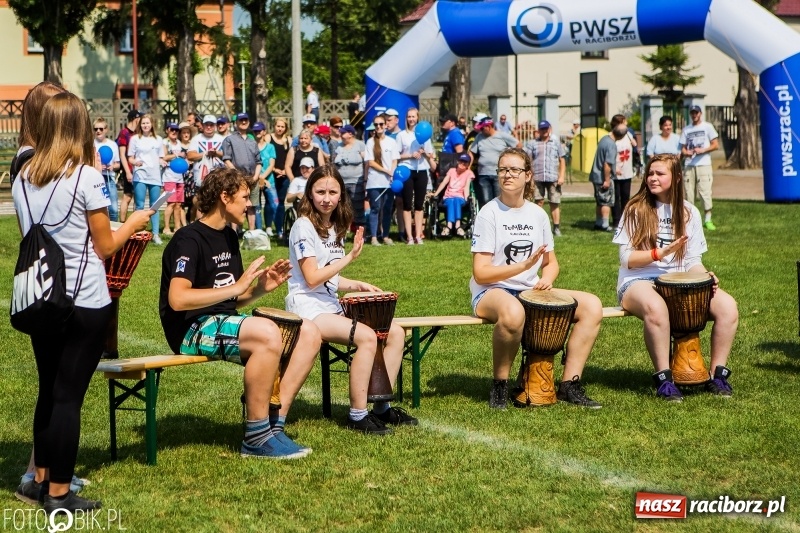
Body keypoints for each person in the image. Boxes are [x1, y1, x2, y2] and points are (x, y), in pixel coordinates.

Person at [13, 91, 153, 512]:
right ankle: (59, 492)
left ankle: (38, 481)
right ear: (77, 128)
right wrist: (133, 222)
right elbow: (106, 245)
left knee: (47, 391)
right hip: (84, 299)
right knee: (68, 398)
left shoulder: (22, 175)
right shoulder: (87, 177)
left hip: (41, 295)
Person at [160, 167, 321, 458]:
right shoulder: (187, 239)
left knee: (309, 332)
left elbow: (230, 302)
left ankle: (274, 425)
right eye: (245, 197)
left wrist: (259, 288)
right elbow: (178, 299)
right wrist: (236, 287)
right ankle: (256, 437)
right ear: (224, 197)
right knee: (267, 333)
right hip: (190, 329)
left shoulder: (230, 236)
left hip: (221, 319)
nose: (249, 204)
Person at [286, 164, 418, 434]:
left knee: (394, 332)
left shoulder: (334, 226)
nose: (326, 198)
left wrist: (356, 284)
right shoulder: (303, 226)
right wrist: (350, 259)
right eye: (320, 191)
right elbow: (311, 278)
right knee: (367, 337)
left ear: (340, 195)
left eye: (333, 192)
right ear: (309, 193)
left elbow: (330, 278)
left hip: (330, 306)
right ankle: (357, 415)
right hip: (307, 309)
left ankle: (381, 406)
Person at [471, 148, 603, 410]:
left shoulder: (538, 214)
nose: (507, 175)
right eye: (502, 170)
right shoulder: (489, 212)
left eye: (514, 170)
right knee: (513, 312)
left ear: (528, 175)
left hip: (529, 289)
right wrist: (523, 266)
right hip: (491, 290)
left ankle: (569, 385)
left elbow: (551, 263)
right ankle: (500, 386)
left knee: (592, 306)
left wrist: (547, 278)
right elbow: (481, 272)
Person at [612, 153, 738, 401]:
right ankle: (664, 379)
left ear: (677, 178)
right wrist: (659, 253)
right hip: (637, 281)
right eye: (650, 173)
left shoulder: (689, 212)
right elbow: (626, 259)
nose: (653, 178)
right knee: (656, 308)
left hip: (680, 283)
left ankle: (717, 375)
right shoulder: (635, 209)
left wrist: (705, 278)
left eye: (660, 174)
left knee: (727, 307)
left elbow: (692, 261)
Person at [397, 107, 436, 245]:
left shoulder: (424, 135)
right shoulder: (401, 135)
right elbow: (396, 156)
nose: (411, 119)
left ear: (417, 118)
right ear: (406, 119)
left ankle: (418, 235)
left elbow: (430, 154)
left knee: (419, 205)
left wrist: (423, 152)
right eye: (409, 117)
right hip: (407, 170)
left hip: (422, 171)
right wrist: (410, 155)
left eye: (413, 116)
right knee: (407, 205)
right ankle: (409, 236)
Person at [679, 105, 719, 231]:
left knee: (705, 192)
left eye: (696, 113)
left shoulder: (707, 127)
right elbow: (683, 148)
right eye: (692, 113)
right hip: (690, 164)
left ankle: (707, 219)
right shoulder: (686, 129)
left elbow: (715, 145)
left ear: (700, 113)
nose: (694, 115)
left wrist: (703, 150)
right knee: (689, 193)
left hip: (704, 164)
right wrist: (686, 152)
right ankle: (690, 220)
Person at [128, 113, 166, 244]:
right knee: (139, 205)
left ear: (152, 124)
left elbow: (161, 157)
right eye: (143, 123)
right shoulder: (134, 139)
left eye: (147, 123)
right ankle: (138, 233)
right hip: (140, 175)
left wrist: (163, 162)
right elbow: (130, 157)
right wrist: (134, 162)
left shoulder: (159, 139)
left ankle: (155, 234)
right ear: (140, 125)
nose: (145, 125)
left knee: (154, 205)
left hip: (154, 176)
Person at [222, 113, 262, 230]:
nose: (243, 122)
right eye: (241, 120)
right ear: (236, 123)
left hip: (252, 177)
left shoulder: (252, 141)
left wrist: (255, 177)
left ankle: (251, 232)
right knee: (236, 204)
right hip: (237, 178)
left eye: (245, 120)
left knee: (252, 206)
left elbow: (259, 161)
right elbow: (227, 160)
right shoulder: (229, 139)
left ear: (248, 122)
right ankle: (234, 232)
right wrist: (237, 175)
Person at [525, 120, 566, 236]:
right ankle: (539, 228)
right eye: (542, 129)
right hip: (537, 177)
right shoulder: (532, 143)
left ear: (550, 129)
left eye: (546, 129)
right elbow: (527, 159)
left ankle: (556, 228)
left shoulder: (556, 143)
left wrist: (562, 176)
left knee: (554, 202)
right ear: (538, 130)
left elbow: (562, 160)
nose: (544, 131)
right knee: (538, 202)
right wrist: (530, 176)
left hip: (553, 177)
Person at [469, 118, 520, 209]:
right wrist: (468, 168)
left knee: (499, 200)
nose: (480, 130)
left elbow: (518, 145)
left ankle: (500, 220)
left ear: (488, 127)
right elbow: (472, 152)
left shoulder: (502, 136)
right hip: (483, 174)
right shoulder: (479, 137)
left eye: (482, 128)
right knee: (486, 200)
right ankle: (489, 221)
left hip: (499, 173)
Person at [364, 113, 399, 246]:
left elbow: (395, 160)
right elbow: (371, 163)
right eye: (376, 124)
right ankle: (374, 237)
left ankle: (385, 235)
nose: (378, 127)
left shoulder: (391, 142)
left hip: (389, 182)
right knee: (375, 208)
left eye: (381, 124)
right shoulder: (370, 142)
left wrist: (392, 173)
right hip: (374, 181)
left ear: (385, 125)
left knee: (387, 208)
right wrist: (386, 171)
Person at [589, 125, 626, 231]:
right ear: (622, 136)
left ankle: (598, 222)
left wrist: (615, 170)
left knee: (599, 201)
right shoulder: (612, 145)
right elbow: (607, 164)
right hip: (603, 177)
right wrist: (607, 180)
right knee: (606, 201)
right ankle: (605, 224)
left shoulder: (604, 139)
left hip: (596, 175)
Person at [429, 152, 474, 237]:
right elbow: (444, 183)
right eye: (461, 161)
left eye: (465, 162)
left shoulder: (469, 173)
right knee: (451, 201)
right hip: (448, 196)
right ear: (458, 161)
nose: (462, 164)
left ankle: (457, 226)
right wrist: (436, 193)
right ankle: (449, 226)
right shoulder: (451, 171)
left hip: (460, 197)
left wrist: (467, 198)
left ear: (468, 165)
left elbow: (466, 187)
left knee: (456, 200)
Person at [333, 124, 367, 231]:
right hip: (341, 183)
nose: (341, 135)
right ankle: (342, 232)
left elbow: (366, 162)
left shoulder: (360, 145)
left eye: (343, 133)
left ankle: (360, 233)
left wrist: (365, 180)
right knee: (341, 208)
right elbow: (333, 163)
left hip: (356, 182)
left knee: (358, 208)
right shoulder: (338, 146)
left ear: (350, 134)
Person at [187, 114, 225, 207]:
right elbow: (190, 156)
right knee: (201, 202)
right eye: (206, 124)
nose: (209, 127)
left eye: (211, 125)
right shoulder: (196, 139)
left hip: (219, 174)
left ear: (215, 126)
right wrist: (205, 153)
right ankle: (201, 221)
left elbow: (228, 155)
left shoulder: (222, 139)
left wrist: (216, 153)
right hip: (201, 176)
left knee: (218, 202)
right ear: (202, 126)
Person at [265, 118, 292, 239]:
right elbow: (266, 157)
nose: (280, 129)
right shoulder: (268, 138)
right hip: (271, 174)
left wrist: (285, 171)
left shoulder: (289, 140)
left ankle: (279, 227)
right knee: (269, 202)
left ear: (285, 128)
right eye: (278, 126)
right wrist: (275, 170)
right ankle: (268, 227)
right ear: (274, 126)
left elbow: (290, 157)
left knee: (281, 202)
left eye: (282, 127)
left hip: (284, 174)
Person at [610, 114, 638, 227]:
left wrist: (634, 145)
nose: (625, 123)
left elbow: (635, 146)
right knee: (616, 197)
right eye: (623, 122)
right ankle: (616, 220)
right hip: (616, 172)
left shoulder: (628, 134)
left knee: (626, 196)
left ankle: (625, 219)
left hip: (627, 171)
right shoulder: (611, 136)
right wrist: (613, 168)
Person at [93, 117, 121, 222]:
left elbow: (117, 164)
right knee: (97, 206)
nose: (98, 131)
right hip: (95, 178)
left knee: (113, 207)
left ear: (106, 129)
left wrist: (112, 167)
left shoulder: (112, 144)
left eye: (100, 128)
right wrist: (96, 165)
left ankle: (114, 228)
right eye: (95, 129)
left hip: (109, 177)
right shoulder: (91, 144)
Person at [116, 109, 142, 223]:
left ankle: (133, 224)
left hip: (139, 170)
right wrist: (127, 171)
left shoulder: (138, 134)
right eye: (139, 118)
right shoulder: (124, 133)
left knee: (138, 198)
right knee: (127, 196)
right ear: (135, 119)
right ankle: (122, 222)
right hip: (130, 170)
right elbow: (122, 154)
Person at [162, 122, 187, 235]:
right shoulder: (165, 143)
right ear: (167, 130)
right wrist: (177, 155)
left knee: (178, 204)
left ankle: (177, 227)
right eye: (172, 129)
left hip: (179, 177)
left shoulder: (179, 143)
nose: (174, 132)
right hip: (169, 177)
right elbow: (164, 157)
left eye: (176, 130)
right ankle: (166, 228)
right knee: (171, 203)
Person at [254, 121, 278, 236]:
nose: (257, 132)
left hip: (269, 180)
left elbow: (271, 164)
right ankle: (259, 230)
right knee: (257, 206)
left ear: (264, 132)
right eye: (255, 131)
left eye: (259, 130)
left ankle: (269, 227)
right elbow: (251, 164)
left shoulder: (270, 147)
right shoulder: (252, 146)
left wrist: (264, 178)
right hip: (255, 179)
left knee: (273, 205)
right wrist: (259, 178)